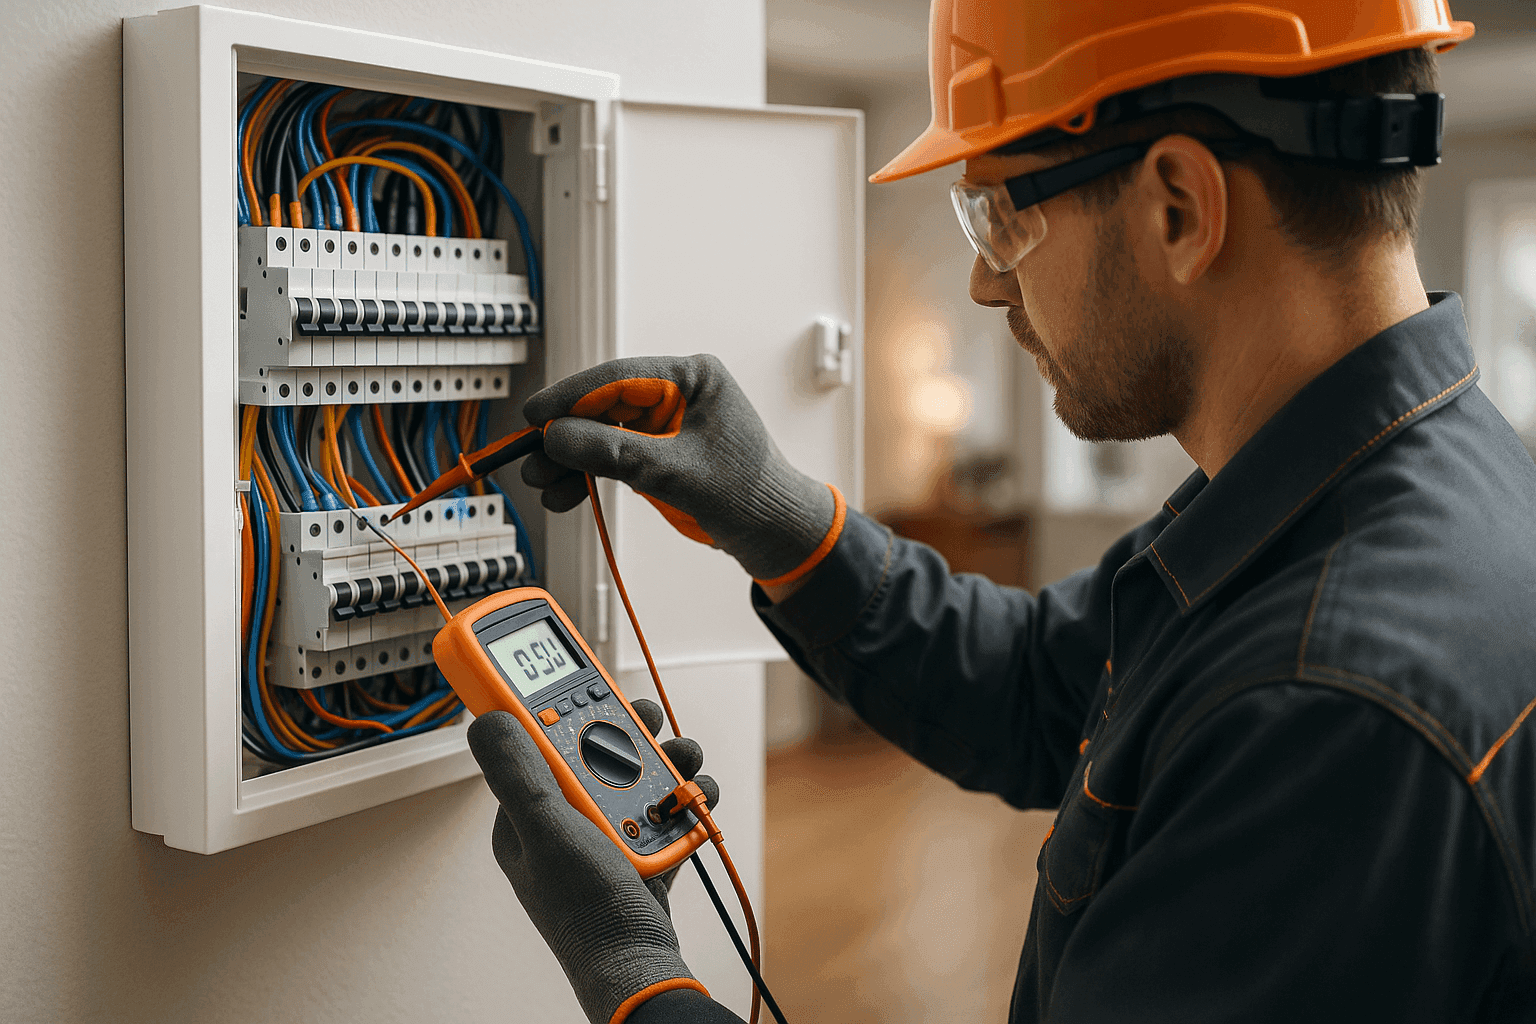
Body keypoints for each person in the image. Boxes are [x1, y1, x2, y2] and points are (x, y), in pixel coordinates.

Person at [464, 2, 1536, 1020]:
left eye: (1000, 212)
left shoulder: (1326, 708)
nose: (984, 281)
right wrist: (779, 514)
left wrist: (635, 971)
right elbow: (1040, 684)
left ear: (1179, 207)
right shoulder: (1377, 490)